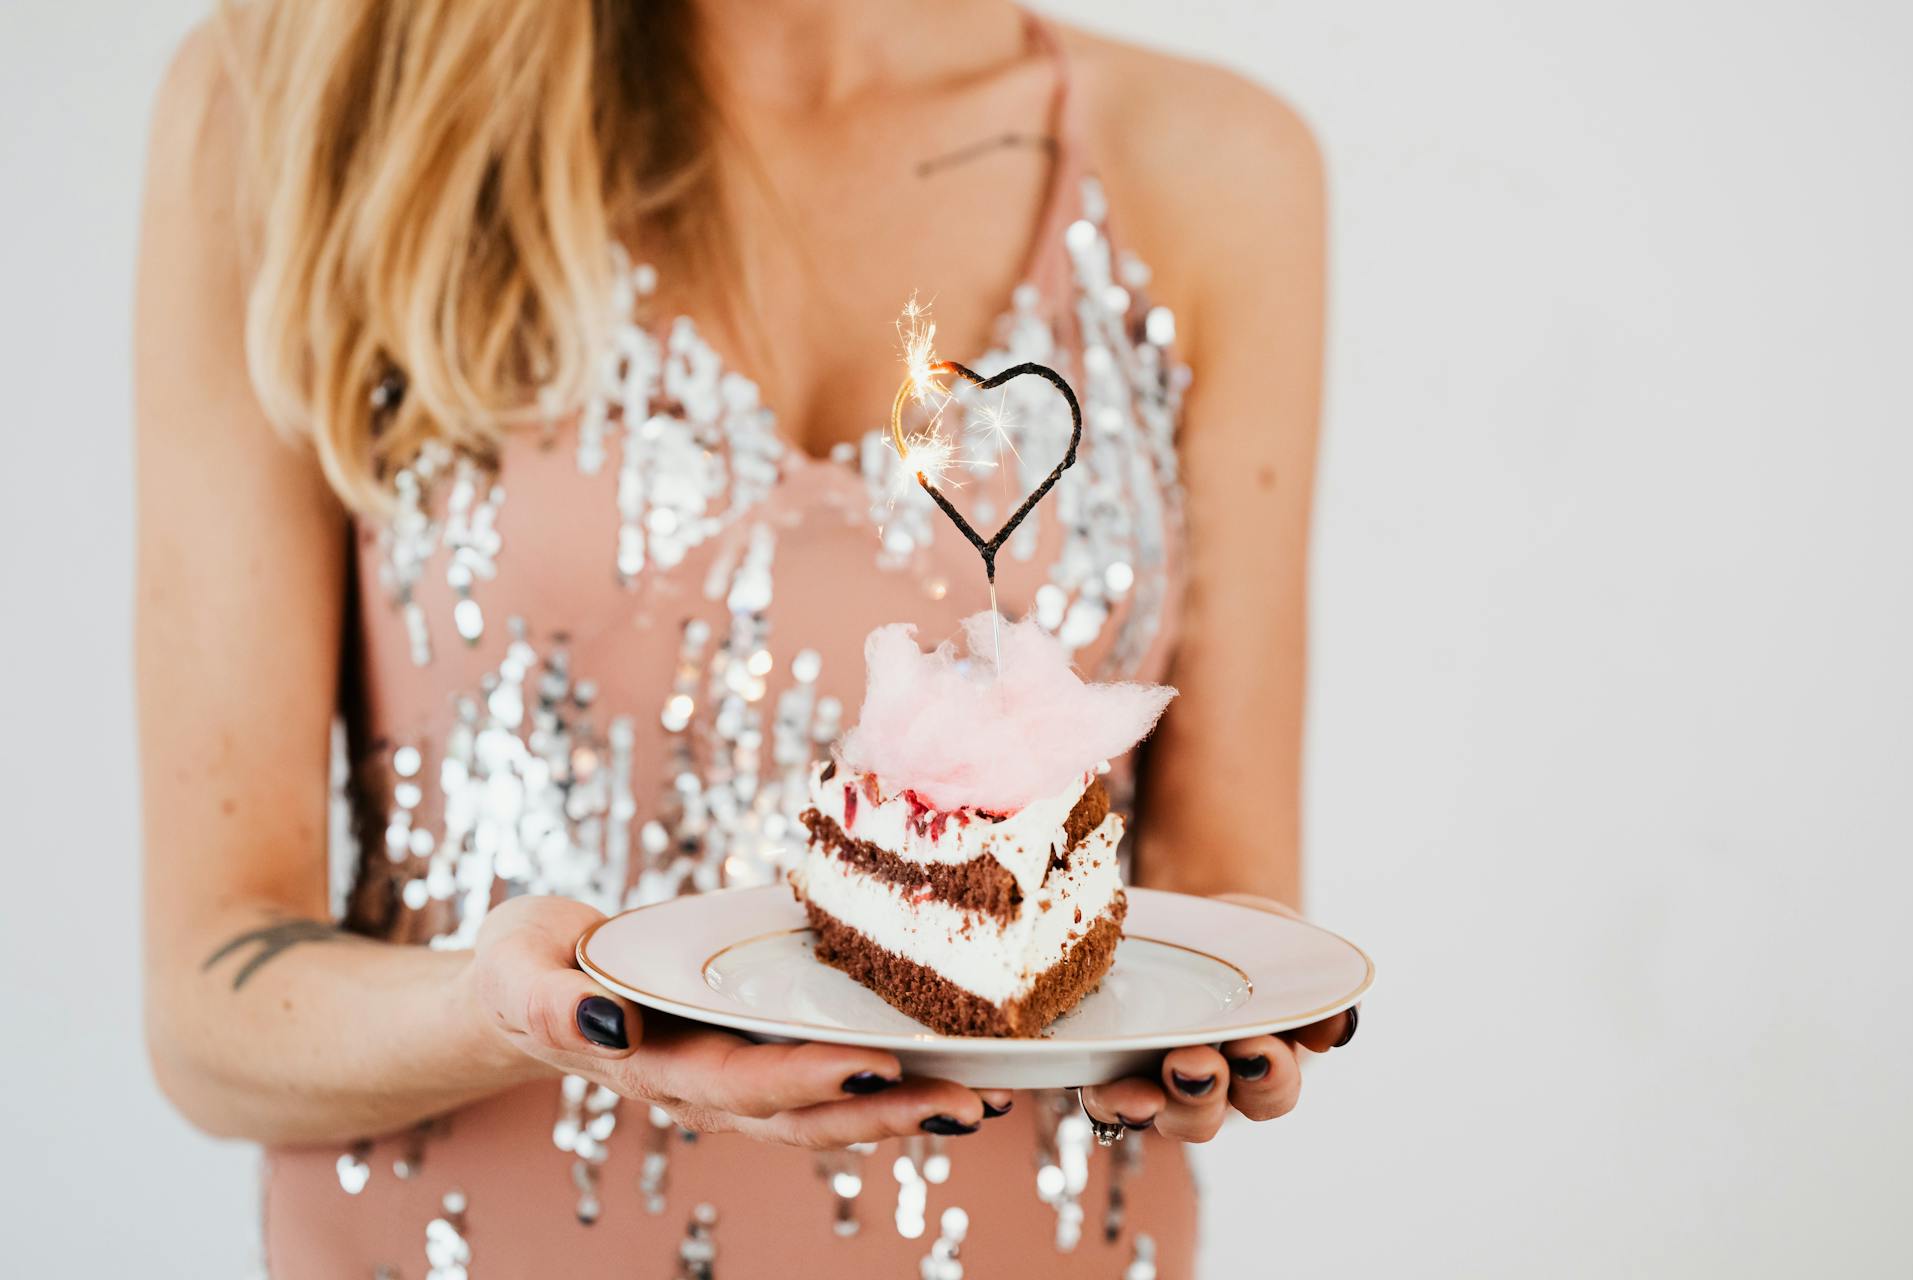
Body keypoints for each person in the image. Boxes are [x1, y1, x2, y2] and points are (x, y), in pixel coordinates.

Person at [135, 1, 1346, 1273]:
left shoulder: (1217, 167)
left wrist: (1234, 1005)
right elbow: (207, 1011)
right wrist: (498, 1007)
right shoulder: (295, 98)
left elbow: (1217, 895)